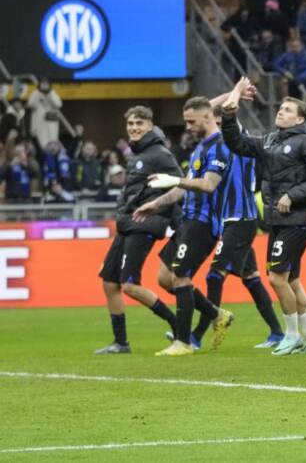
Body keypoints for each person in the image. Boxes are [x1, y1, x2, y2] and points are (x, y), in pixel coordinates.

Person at [219, 83, 306, 356]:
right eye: (280, 108)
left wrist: (293, 195)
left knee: (276, 278)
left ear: (300, 119)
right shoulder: (271, 140)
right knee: (291, 279)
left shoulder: (304, 142)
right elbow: (238, 143)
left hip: (295, 220)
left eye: (287, 110)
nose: (280, 112)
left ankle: (291, 335)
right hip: (278, 221)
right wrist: (228, 117)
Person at [133, 97, 236, 356]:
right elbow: (183, 188)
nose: (187, 127)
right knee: (164, 278)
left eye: (191, 121)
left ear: (207, 117)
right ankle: (216, 314)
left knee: (180, 276)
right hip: (187, 220)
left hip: (203, 223)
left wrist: (174, 179)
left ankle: (184, 342)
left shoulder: (220, 147)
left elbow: (208, 185)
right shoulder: (200, 148)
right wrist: (155, 204)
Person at [191, 105, 284, 351]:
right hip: (233, 220)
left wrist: (235, 97)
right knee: (251, 279)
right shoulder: (220, 147)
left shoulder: (238, 143)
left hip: (241, 219)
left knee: (214, 276)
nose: (217, 129)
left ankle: (196, 336)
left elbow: (232, 127)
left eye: (221, 124)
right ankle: (277, 332)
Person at [94, 106, 183, 354]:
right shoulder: (138, 154)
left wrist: (163, 212)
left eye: (139, 123)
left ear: (150, 125)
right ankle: (121, 343)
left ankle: (178, 327)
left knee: (130, 285)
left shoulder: (160, 154)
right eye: (131, 123)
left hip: (145, 223)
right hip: (127, 223)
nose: (134, 128)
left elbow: (181, 185)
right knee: (109, 283)